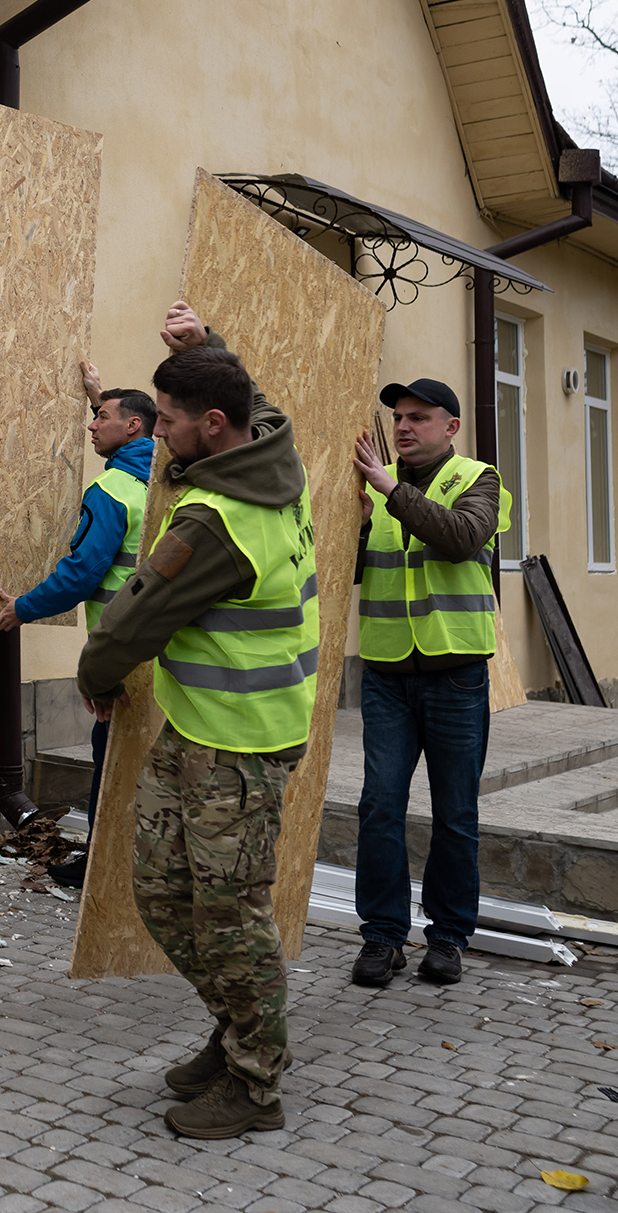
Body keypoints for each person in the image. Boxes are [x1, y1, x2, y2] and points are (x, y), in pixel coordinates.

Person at [77, 301, 316, 1140]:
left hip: (239, 746)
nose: (160, 436)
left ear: (213, 427)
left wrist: (94, 674)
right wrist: (208, 347)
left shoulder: (216, 520)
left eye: (170, 422)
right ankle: (233, 1027)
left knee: (231, 915)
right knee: (160, 891)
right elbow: (261, 402)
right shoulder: (270, 454)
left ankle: (257, 1085)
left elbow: (136, 617)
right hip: (203, 732)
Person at [348, 378, 508, 989]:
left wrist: (387, 490)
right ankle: (382, 937)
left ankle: (446, 938)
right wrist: (359, 524)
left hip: (456, 674)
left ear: (452, 426)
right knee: (379, 806)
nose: (405, 426)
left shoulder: (478, 478)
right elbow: (359, 567)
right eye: (398, 417)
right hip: (388, 673)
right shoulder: (376, 482)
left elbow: (463, 538)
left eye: (419, 416)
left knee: (456, 812)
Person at [0, 364, 157, 889]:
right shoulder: (170, 478)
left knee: (109, 758)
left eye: (101, 418)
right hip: (170, 649)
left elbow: (83, 573)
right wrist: (98, 396)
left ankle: (100, 866)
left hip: (122, 650)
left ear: (132, 427)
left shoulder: (111, 490)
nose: (91, 426)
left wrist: (22, 607)